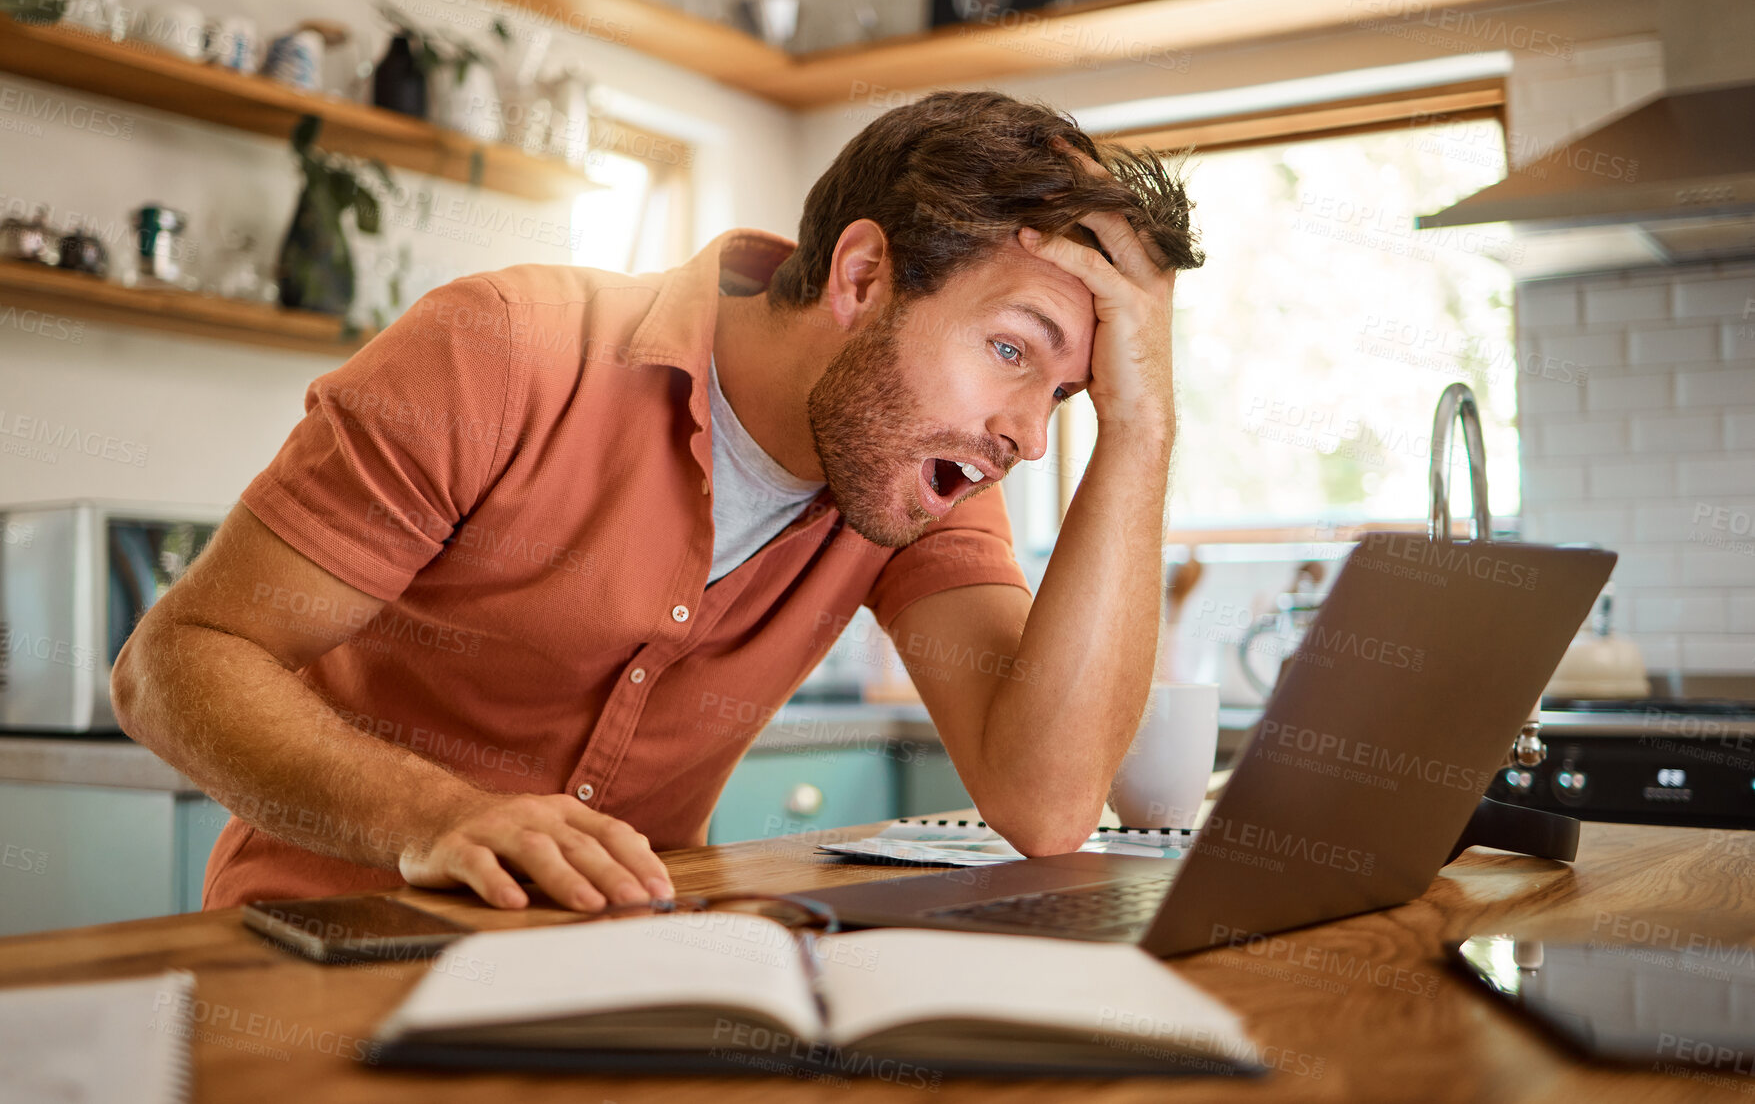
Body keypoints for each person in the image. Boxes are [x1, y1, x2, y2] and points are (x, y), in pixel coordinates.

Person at [112, 90, 1203, 913]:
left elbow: (1048, 802)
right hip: (327, 947)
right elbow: (175, 662)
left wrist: (1143, 427)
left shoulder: (917, 481)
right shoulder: (502, 350)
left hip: (619, 972)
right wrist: (436, 815)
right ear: (862, 277)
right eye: (1012, 348)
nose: (1024, 431)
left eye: (1066, 392)